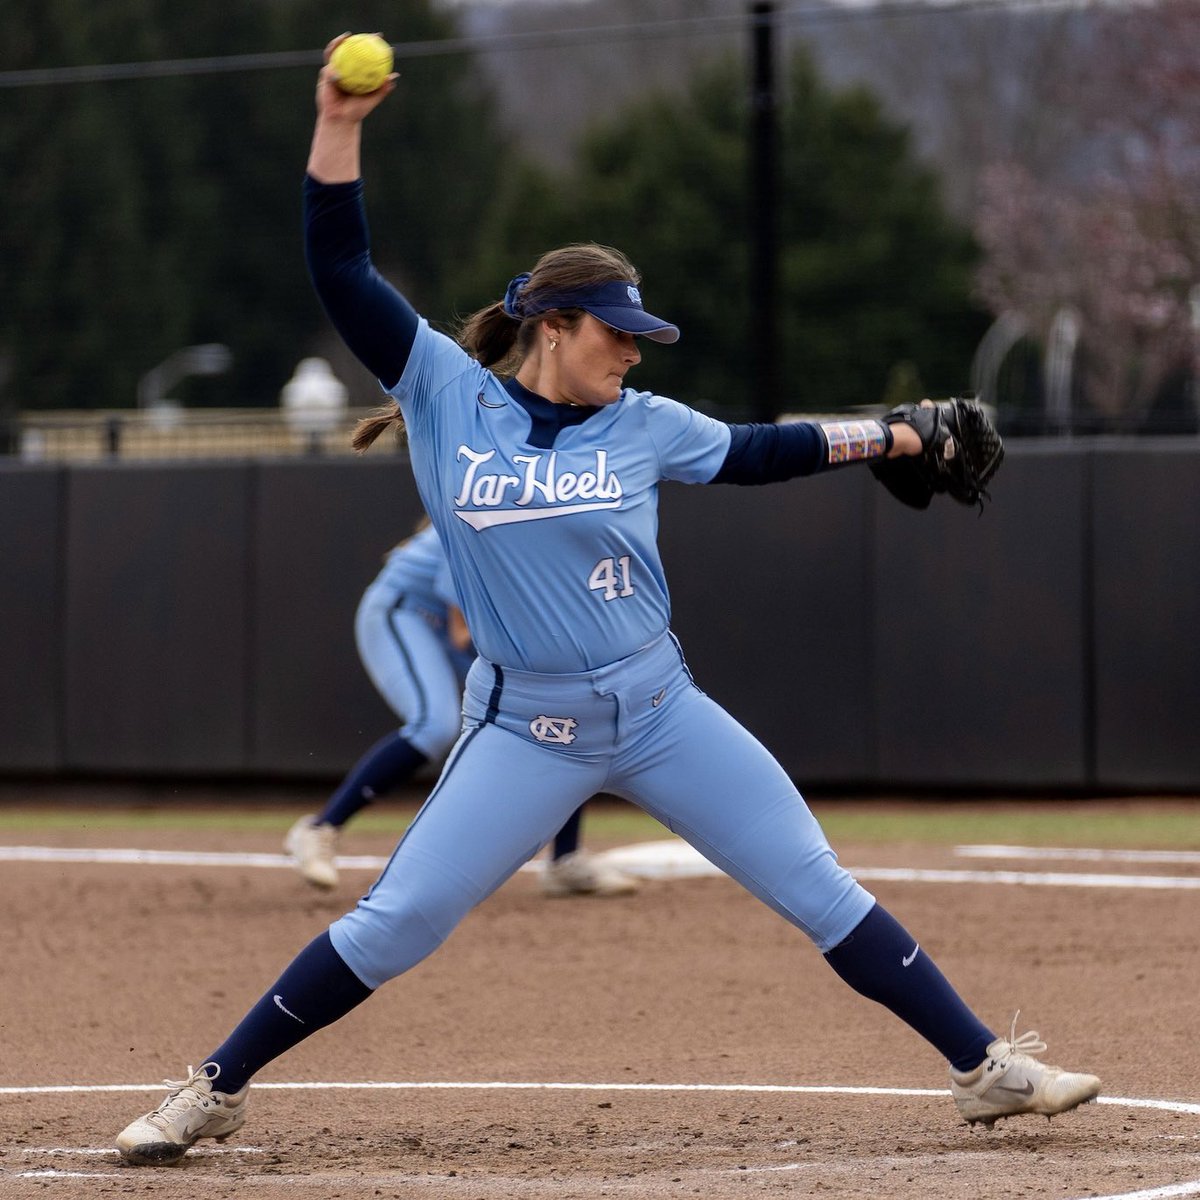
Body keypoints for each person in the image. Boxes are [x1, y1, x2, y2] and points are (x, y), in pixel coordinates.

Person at [114, 36, 1101, 1167]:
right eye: (615, 333)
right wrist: (338, 124)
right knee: (395, 924)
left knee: (815, 884)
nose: (632, 351)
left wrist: (884, 433)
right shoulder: (444, 393)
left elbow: (758, 451)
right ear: (553, 328)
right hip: (524, 727)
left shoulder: (646, 424)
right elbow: (342, 271)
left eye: (639, 337)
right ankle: (215, 1085)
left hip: (661, 708)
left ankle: (984, 1070)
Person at [285, 518, 639, 897]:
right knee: (434, 726)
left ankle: (564, 861)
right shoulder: (498, 520)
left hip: (448, 622)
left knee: (568, 709)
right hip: (406, 612)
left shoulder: (551, 527)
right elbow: (462, 633)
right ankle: (320, 829)